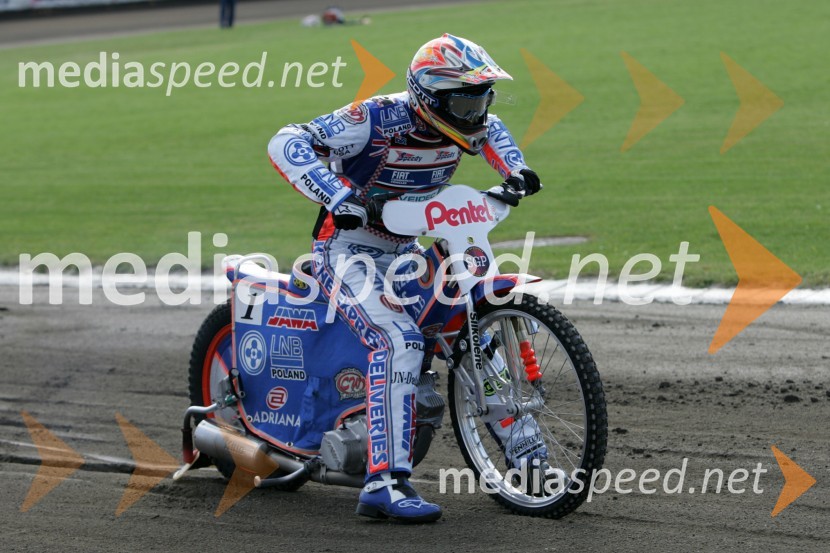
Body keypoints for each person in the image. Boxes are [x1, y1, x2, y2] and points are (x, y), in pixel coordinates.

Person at [267, 34, 542, 522]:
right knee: (399, 341)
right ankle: (384, 484)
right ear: (429, 97)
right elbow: (286, 141)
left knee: (470, 324)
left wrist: (517, 171)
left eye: (482, 97)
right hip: (346, 251)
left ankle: (531, 456)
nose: (476, 112)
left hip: (408, 252)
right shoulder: (374, 118)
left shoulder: (474, 122)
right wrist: (337, 195)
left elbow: (495, 131)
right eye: (464, 100)